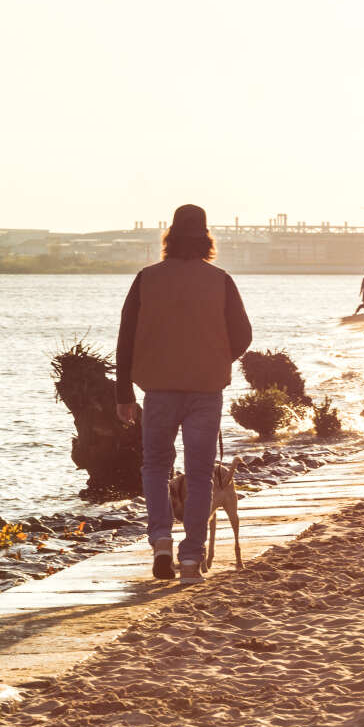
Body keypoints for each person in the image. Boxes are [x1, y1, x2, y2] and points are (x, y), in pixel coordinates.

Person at [116, 205, 252, 585]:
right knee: (199, 472)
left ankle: (160, 540)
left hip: (158, 390)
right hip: (205, 390)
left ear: (169, 238)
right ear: (206, 239)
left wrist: (123, 392)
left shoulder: (146, 279)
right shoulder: (221, 280)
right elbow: (243, 335)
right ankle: (191, 558)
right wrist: (215, 358)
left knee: (155, 468)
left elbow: (125, 339)